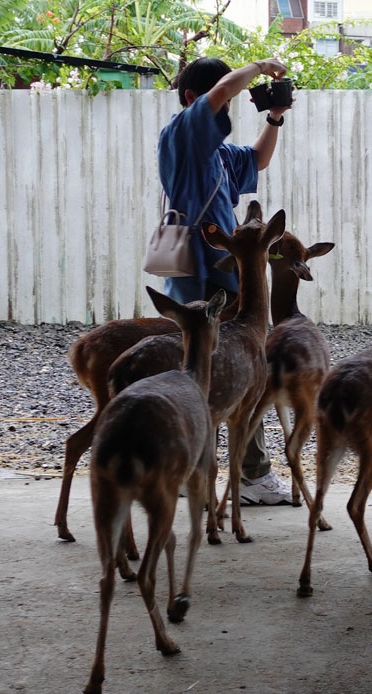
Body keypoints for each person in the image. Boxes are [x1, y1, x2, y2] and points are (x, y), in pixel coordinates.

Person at [158, 56, 292, 506]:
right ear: (193, 99)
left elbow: (259, 159)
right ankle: (250, 475)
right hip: (201, 280)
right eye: (222, 95)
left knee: (216, 374)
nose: (230, 103)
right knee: (236, 374)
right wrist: (258, 67)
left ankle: (203, 472)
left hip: (225, 280)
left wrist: (274, 118)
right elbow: (222, 92)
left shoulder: (216, 153)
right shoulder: (182, 134)